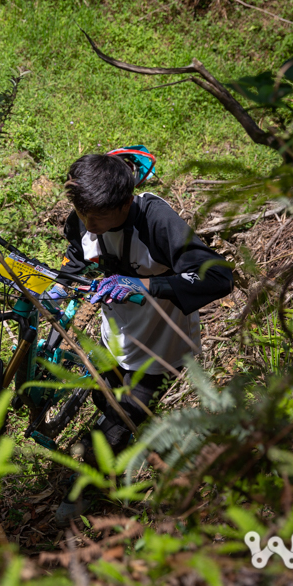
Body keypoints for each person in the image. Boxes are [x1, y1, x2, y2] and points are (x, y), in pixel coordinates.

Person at [51, 148, 233, 525]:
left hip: (162, 343)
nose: (88, 224)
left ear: (123, 202)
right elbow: (76, 258)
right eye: (83, 214)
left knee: (121, 418)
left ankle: (91, 484)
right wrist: (58, 286)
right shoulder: (84, 218)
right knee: (105, 399)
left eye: (97, 217)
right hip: (115, 335)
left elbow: (218, 277)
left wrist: (145, 284)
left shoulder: (156, 220)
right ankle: (109, 460)